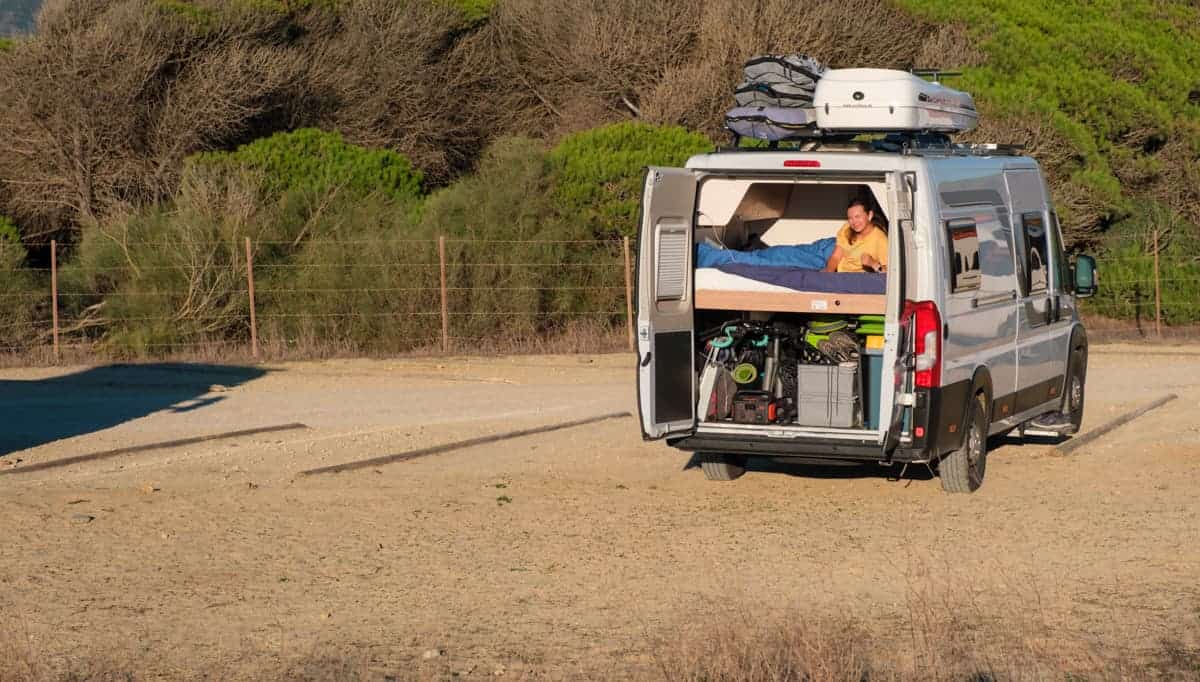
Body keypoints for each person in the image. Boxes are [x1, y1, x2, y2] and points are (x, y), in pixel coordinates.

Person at [824, 198, 888, 273]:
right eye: (850, 218)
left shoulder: (880, 239)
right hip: (830, 248)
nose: (854, 222)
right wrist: (828, 275)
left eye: (857, 216)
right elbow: (835, 256)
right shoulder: (847, 227)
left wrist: (873, 264)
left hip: (848, 275)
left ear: (870, 215)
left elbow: (891, 273)